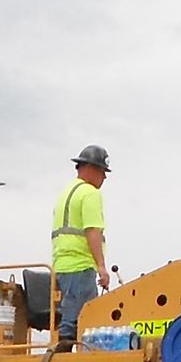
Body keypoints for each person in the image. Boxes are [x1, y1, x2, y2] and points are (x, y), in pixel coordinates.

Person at [50, 145, 112, 342]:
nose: (105, 177)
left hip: (63, 263)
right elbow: (92, 231)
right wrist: (102, 267)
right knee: (83, 319)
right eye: (103, 171)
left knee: (73, 314)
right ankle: (66, 355)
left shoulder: (67, 192)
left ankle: (64, 350)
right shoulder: (90, 193)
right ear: (92, 168)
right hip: (81, 264)